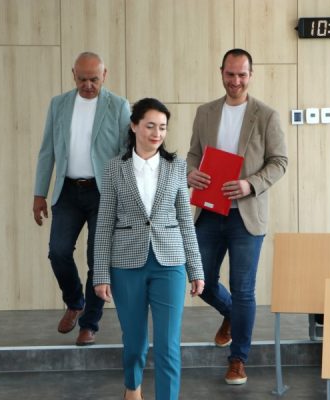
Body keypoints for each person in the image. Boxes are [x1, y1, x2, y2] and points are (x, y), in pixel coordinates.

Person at [186, 48, 288, 385]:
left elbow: (279, 162)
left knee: (244, 289)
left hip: (246, 215)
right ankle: (231, 314)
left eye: (242, 74)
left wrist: (250, 184)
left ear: (250, 75)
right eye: (230, 74)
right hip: (209, 212)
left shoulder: (267, 115)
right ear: (221, 73)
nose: (235, 81)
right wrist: (190, 173)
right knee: (201, 279)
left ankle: (238, 360)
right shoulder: (205, 113)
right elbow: (193, 155)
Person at [93, 98, 205, 400]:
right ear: (134, 126)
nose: (157, 133)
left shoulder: (177, 167)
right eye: (150, 126)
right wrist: (100, 274)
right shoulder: (114, 168)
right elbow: (104, 224)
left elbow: (185, 221)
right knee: (134, 341)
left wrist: (196, 269)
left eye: (163, 127)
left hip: (170, 263)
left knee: (168, 343)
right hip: (125, 264)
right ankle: (132, 387)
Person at [33, 51, 131, 346]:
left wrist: (124, 194)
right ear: (73, 75)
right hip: (67, 190)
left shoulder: (118, 106)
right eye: (82, 79)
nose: (88, 85)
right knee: (58, 251)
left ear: (105, 75)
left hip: (104, 192)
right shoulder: (58, 104)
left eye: (94, 79)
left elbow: (127, 151)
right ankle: (75, 301)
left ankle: (90, 323)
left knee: (97, 258)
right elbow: (47, 151)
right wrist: (39, 193)